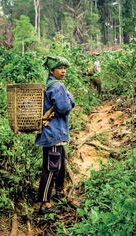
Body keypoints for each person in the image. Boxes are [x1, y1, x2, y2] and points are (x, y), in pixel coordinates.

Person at [35, 56, 75, 214]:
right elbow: (65, 107)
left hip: (54, 134)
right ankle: (45, 204)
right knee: (51, 168)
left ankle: (58, 193)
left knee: (58, 166)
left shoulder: (51, 84)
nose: (63, 71)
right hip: (54, 134)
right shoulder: (57, 86)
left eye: (65, 68)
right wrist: (71, 98)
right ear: (52, 71)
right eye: (60, 68)